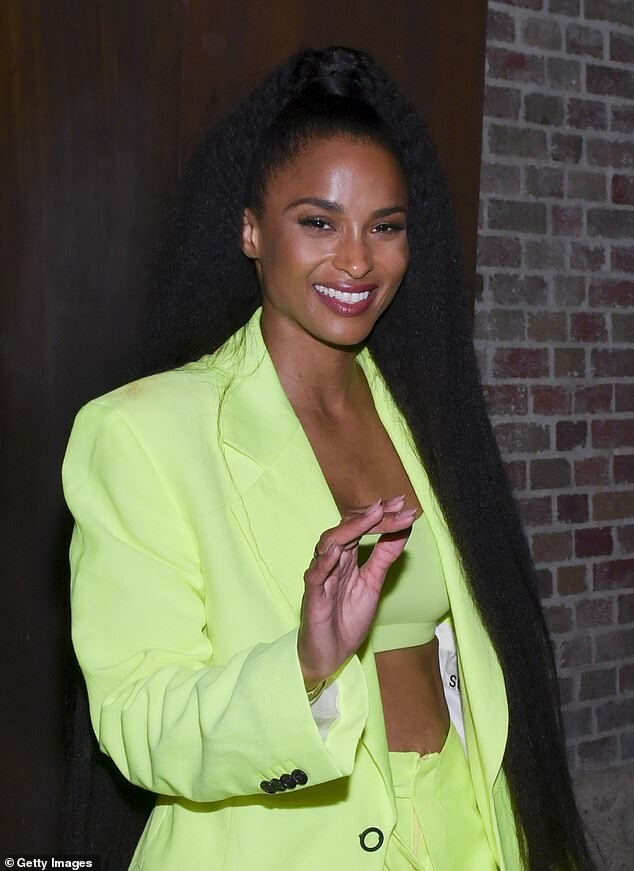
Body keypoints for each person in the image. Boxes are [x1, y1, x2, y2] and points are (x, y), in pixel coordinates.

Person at [63, 47, 596, 871]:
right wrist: (304, 666)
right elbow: (137, 719)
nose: (357, 260)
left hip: (463, 829)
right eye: (319, 221)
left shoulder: (426, 420)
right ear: (251, 228)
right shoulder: (141, 431)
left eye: (385, 226)